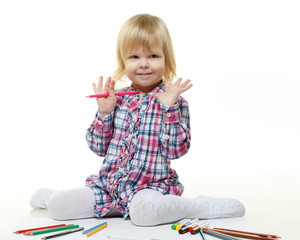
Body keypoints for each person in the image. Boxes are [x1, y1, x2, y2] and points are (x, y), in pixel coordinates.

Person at [30, 14, 245, 226]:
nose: (143, 64)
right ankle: (57, 196)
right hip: (110, 188)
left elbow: (176, 151)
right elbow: (97, 147)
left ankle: (200, 207)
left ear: (166, 60)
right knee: (58, 207)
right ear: (124, 61)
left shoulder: (175, 102)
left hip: (149, 188)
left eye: (152, 56)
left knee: (144, 215)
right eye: (134, 57)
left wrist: (169, 109)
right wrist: (105, 114)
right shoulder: (117, 100)